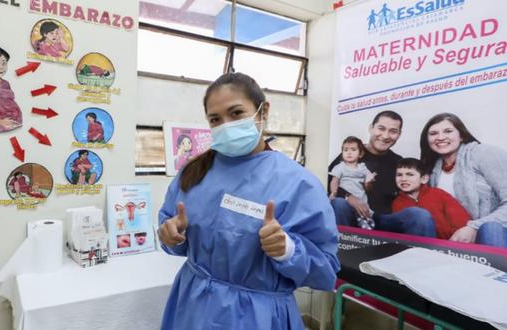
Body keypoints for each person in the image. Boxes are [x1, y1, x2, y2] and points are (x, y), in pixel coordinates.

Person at [158, 72, 339, 330]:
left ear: (263, 111)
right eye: (215, 119)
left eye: (236, 113)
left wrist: (288, 250)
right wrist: (170, 235)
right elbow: (172, 236)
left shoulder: (298, 183)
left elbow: (326, 272)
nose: (226, 125)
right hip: (193, 306)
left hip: (257, 316)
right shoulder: (194, 173)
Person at [329, 110, 435, 237]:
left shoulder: (398, 162)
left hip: (384, 221)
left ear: (399, 134)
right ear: (371, 128)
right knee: (339, 204)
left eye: (393, 131)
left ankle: (420, 256)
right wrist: (348, 196)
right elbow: (327, 184)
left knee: (420, 216)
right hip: (354, 218)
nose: (385, 136)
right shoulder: (351, 154)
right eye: (381, 128)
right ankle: (342, 254)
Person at [420, 113, 507, 247]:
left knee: (490, 228)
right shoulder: (431, 170)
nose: (440, 137)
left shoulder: (483, 153)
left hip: (495, 233)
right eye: (433, 133)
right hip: (458, 240)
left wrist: (475, 227)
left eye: (448, 131)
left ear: (461, 136)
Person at [392, 158, 470, 240]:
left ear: (424, 179)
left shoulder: (439, 194)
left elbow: (461, 220)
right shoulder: (397, 203)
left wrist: (454, 242)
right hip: (419, 245)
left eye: (410, 174)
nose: (403, 179)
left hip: (450, 244)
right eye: (399, 175)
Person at [329, 136, 376, 230]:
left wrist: (368, 182)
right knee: (340, 207)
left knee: (364, 220)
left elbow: (368, 188)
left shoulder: (363, 168)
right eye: (345, 150)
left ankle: (365, 232)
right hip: (346, 202)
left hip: (360, 200)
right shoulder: (340, 167)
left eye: (353, 150)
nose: (349, 152)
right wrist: (333, 192)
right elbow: (335, 181)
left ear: (360, 154)